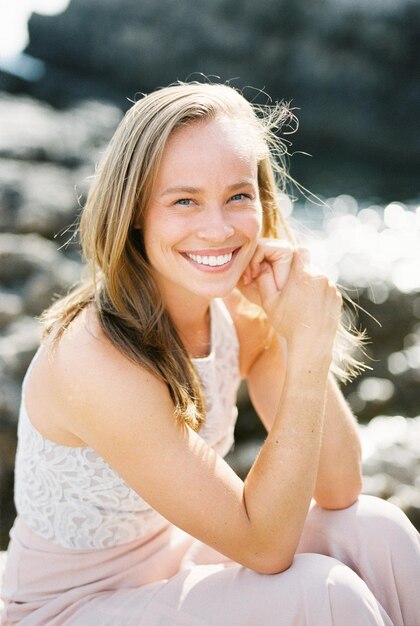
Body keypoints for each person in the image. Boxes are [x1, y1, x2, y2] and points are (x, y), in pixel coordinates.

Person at [1, 82, 419, 626]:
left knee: (375, 532)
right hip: (68, 609)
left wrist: (289, 335)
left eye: (238, 196)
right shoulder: (96, 359)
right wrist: (311, 346)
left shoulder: (241, 316)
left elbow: (339, 486)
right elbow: (264, 546)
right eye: (184, 201)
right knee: (322, 593)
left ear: (264, 202)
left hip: (176, 565)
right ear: (132, 212)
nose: (218, 229)